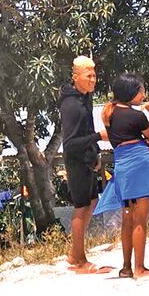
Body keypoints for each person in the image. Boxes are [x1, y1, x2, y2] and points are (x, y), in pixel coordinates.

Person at [95, 72, 149, 279]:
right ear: (132, 93)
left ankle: (127, 267)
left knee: (127, 217)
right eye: (141, 91)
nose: (143, 94)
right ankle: (140, 269)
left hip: (122, 165)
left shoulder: (109, 115)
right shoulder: (136, 116)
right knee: (140, 219)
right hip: (140, 164)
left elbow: (118, 139)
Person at [59, 55, 105, 273]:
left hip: (87, 158)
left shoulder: (85, 98)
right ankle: (80, 260)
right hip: (75, 161)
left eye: (94, 75)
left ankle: (75, 252)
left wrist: (95, 154)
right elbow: (69, 144)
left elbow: (87, 129)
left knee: (93, 200)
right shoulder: (71, 106)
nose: (93, 80)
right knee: (81, 206)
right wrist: (98, 137)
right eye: (88, 76)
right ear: (75, 78)